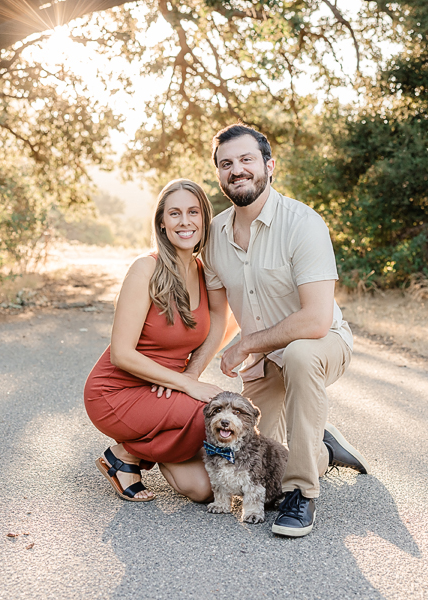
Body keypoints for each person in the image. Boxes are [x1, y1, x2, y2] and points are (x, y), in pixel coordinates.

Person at [185, 124, 369, 537]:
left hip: (321, 345)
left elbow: (316, 319)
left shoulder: (304, 224)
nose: (237, 170)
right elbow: (218, 318)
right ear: (219, 174)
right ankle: (323, 448)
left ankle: (303, 493)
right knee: (260, 461)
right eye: (226, 163)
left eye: (246, 159)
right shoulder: (214, 237)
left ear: (269, 166)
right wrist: (189, 377)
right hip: (265, 361)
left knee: (301, 354)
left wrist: (248, 343)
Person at [84, 179, 224, 503]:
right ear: (162, 222)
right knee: (214, 411)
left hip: (165, 391)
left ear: (205, 218)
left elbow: (220, 321)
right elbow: (121, 354)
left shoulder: (206, 271)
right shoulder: (146, 268)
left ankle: (127, 456)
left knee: (203, 489)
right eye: (175, 213)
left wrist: (190, 375)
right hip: (116, 393)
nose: (185, 221)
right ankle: (130, 452)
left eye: (193, 212)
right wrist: (186, 386)